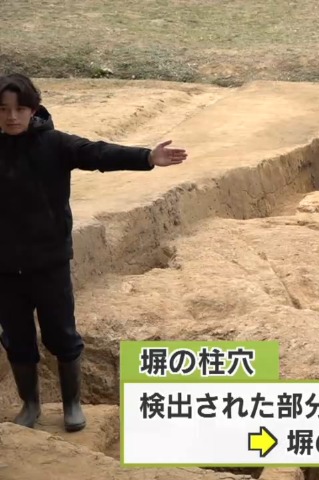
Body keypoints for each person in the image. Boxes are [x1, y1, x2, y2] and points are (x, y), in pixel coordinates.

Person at [0, 73, 187, 432]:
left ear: (33, 109)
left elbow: (98, 153)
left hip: (50, 263)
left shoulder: (55, 144)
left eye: (19, 109)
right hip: (5, 268)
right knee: (17, 338)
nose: (11, 117)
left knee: (61, 334)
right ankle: (30, 405)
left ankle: (72, 404)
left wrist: (148, 157)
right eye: (3, 109)